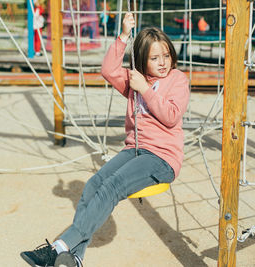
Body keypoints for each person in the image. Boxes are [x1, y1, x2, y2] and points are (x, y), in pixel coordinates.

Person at [20, 12, 190, 267]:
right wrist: (123, 35)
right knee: (93, 184)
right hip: (135, 150)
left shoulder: (177, 80)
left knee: (113, 186)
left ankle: (58, 248)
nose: (163, 62)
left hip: (162, 158)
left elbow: (171, 116)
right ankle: (75, 258)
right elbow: (108, 70)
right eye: (155, 58)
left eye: (166, 56)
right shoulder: (135, 79)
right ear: (142, 61)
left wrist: (144, 88)